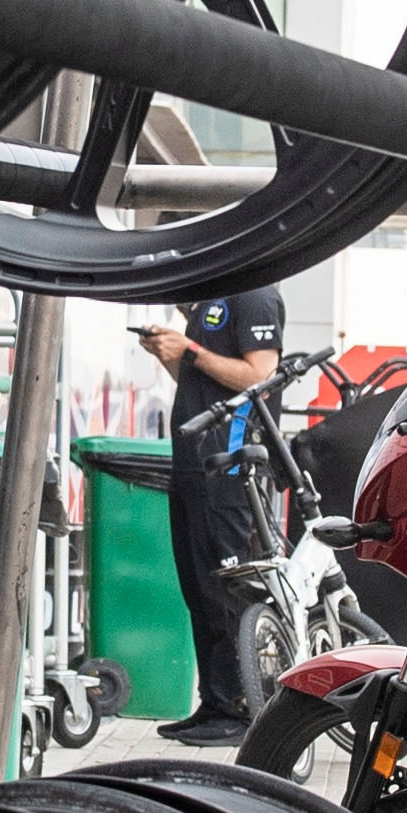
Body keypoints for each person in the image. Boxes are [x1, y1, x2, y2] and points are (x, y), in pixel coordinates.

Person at [139, 284, 285, 743]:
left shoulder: (256, 294)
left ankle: (242, 710)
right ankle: (216, 703)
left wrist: (192, 350)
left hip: (231, 467)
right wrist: (170, 354)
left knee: (228, 589)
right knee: (199, 590)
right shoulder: (209, 300)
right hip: (192, 463)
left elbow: (260, 375)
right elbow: (198, 381)